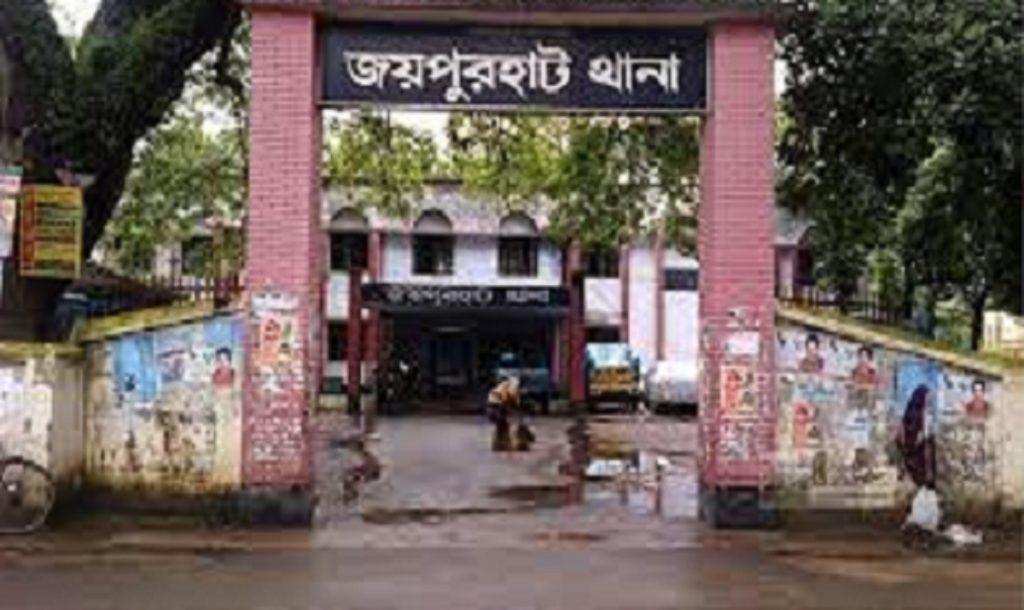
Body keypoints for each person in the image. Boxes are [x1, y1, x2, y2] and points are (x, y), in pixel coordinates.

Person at [899, 385, 936, 489]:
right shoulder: (918, 410)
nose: (929, 399)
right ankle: (922, 480)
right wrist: (922, 437)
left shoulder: (911, 407)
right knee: (921, 461)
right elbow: (919, 427)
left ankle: (919, 480)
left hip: (911, 441)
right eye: (927, 396)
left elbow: (904, 424)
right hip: (917, 441)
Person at [487, 376, 520, 452]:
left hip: (495, 406)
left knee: (502, 426)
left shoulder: (504, 386)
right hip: (496, 407)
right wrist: (510, 409)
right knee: (503, 425)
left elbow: (512, 401)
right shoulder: (505, 387)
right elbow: (505, 400)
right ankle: (502, 444)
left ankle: (499, 444)